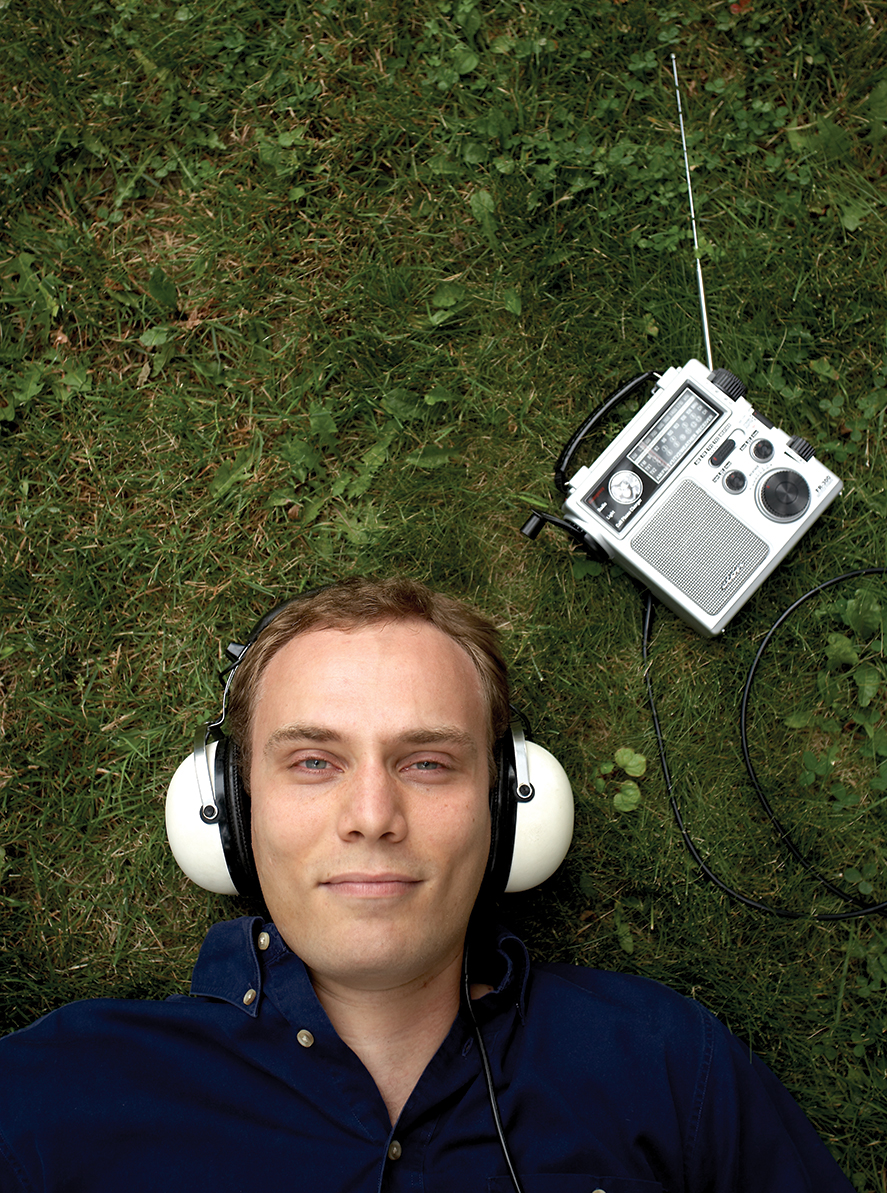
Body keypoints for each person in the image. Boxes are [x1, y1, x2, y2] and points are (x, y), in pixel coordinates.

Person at [0, 577, 855, 1192]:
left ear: (506, 810)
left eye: (428, 761)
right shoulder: (50, 1094)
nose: (371, 814)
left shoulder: (667, 1065)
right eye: (312, 761)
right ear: (228, 810)